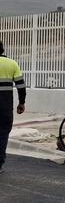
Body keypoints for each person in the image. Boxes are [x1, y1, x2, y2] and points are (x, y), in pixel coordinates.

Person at [0, 40, 26, 174]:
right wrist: (21, 102)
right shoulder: (12, 63)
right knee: (3, 134)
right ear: (3, 49)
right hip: (5, 108)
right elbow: (21, 86)